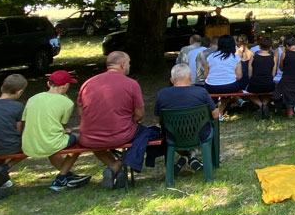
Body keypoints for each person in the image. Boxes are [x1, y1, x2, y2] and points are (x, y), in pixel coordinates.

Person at [77, 51, 143, 189]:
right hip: (121, 135)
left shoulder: (87, 83)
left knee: (94, 142)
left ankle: (113, 167)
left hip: (89, 137)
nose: (129, 66)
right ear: (122, 64)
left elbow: (81, 112)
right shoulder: (131, 84)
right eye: (129, 62)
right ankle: (116, 166)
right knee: (145, 134)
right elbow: (139, 115)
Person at [23, 70, 94, 192]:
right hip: (50, 142)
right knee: (79, 142)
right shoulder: (67, 102)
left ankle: (67, 175)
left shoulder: (33, 99)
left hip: (30, 142)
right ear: (66, 85)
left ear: (48, 83)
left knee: (54, 146)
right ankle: (61, 178)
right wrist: (65, 129)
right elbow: (63, 125)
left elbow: (25, 120)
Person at [155, 64, 220, 172]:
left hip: (174, 135)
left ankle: (187, 156)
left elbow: (158, 119)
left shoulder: (162, 94)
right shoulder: (201, 92)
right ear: (190, 77)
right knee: (210, 126)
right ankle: (192, 156)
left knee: (166, 133)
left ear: (172, 79)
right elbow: (215, 115)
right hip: (200, 134)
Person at [247, 35, 278, 120]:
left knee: (247, 92)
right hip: (268, 84)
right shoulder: (273, 58)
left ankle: (260, 105)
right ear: (270, 46)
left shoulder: (253, 57)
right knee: (269, 91)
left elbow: (250, 74)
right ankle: (264, 105)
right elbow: (273, 74)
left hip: (255, 84)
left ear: (259, 46)